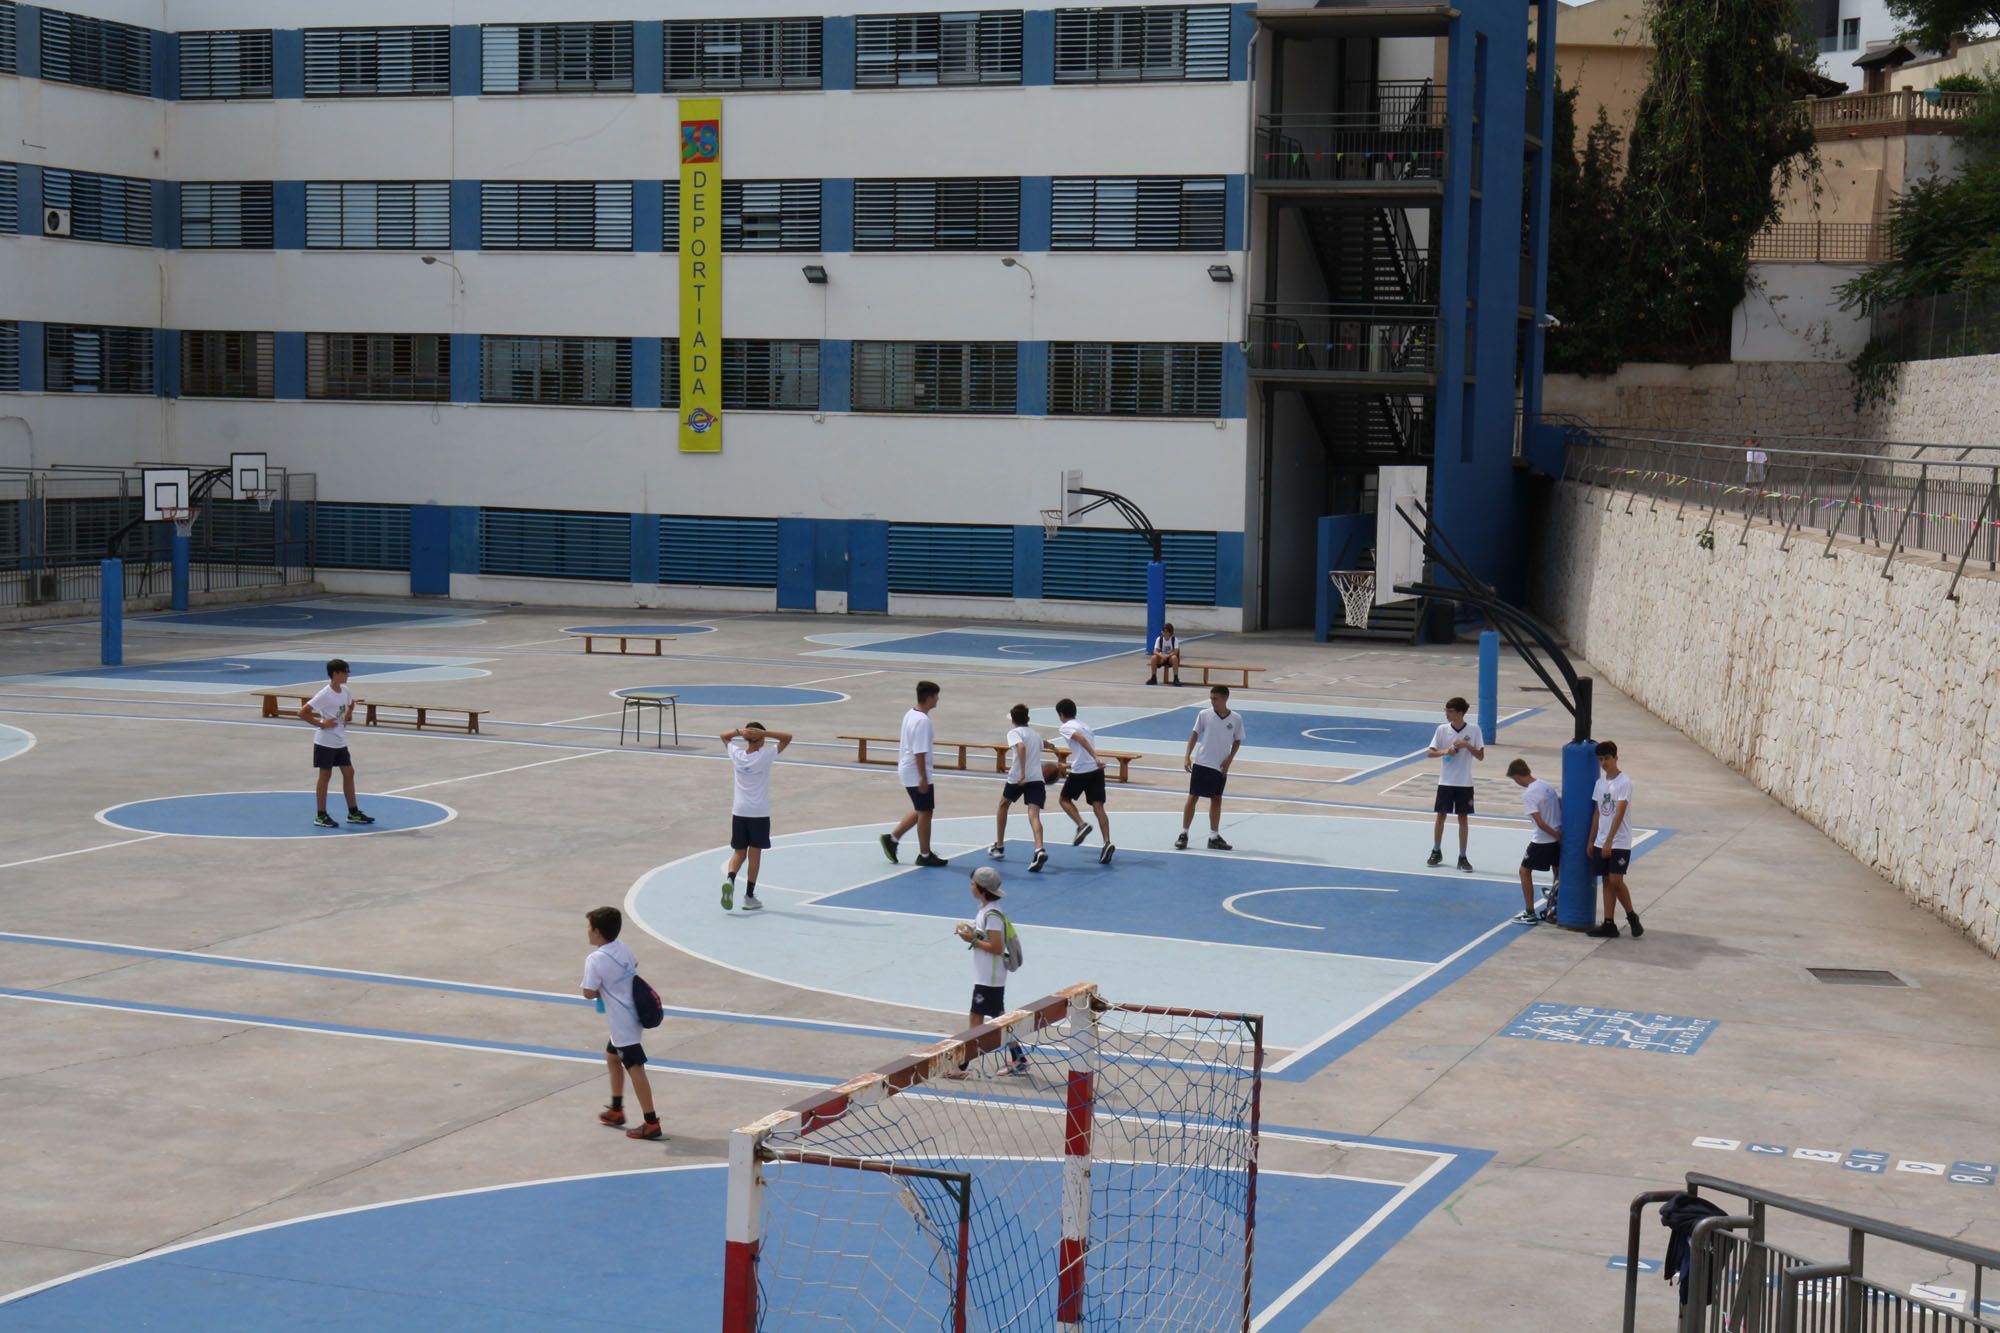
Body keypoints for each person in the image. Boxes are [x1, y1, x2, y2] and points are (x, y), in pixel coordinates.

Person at [580, 906, 661, 1140]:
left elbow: (588, 991)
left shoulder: (595, 959)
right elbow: (634, 965)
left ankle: (651, 1122)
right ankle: (616, 1109)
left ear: (597, 932)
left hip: (623, 1021)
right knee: (612, 1056)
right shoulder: (621, 946)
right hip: (632, 1012)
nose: (587, 931)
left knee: (635, 1067)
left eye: (589, 928)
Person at [947, 866, 1027, 1079]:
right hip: (988, 975)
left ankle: (961, 1068)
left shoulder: (992, 914)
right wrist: (973, 933)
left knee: (976, 1019)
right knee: (999, 1018)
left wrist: (972, 939)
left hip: (989, 977)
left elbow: (997, 947)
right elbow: (988, 939)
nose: (970, 886)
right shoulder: (987, 909)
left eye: (973, 883)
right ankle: (1019, 1058)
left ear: (981, 888)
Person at [721, 722, 791, 912]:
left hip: (739, 811)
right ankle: (749, 896)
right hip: (758, 812)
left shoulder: (737, 755)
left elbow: (723, 736)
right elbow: (787, 737)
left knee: (739, 852)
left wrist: (738, 731)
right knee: (754, 854)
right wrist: (766, 731)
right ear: (759, 738)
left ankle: (730, 878)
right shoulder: (766, 756)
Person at [299, 658, 374, 829]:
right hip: (325, 741)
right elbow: (303, 712)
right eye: (345, 672)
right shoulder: (325, 694)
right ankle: (321, 815)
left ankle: (353, 812)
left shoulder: (344, 690)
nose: (348, 675)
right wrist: (321, 724)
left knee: (349, 772)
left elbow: (351, 704)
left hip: (339, 740)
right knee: (325, 776)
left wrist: (347, 714)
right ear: (336, 673)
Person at [881, 681, 948, 868]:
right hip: (915, 771)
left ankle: (893, 838)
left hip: (909, 769)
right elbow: (920, 752)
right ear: (929, 697)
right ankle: (925, 854)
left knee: (922, 809)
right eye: (936, 696)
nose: (938, 700)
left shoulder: (911, 714)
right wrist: (923, 777)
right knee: (926, 812)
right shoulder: (923, 721)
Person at [1586, 741, 1642, 939]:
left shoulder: (1624, 782)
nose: (1604, 763)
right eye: (1600, 759)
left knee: (1616, 880)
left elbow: (1619, 812)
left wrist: (1609, 840)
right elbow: (1597, 813)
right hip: (1601, 840)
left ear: (1615, 758)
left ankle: (1631, 915)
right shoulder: (1600, 783)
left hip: (1619, 841)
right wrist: (1592, 840)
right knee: (1607, 881)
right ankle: (1608, 922)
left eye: (1607, 758)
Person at [1177, 685, 1244, 850]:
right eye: (1211, 698)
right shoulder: (1204, 715)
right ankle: (1184, 834)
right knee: (1193, 797)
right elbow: (1194, 735)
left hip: (1220, 766)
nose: (1212, 701)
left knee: (1216, 799)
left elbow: (1237, 740)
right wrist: (1187, 756)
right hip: (1202, 762)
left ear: (1225, 698)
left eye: (1216, 699)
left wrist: (1229, 760)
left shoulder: (1236, 718)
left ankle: (1214, 837)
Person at [1425, 695, 1484, 872]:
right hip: (1446, 781)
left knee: (1463, 819)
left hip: (1464, 783)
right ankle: (1436, 850)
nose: (1447, 714)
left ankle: (1463, 856)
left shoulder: (1474, 730)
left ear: (1460, 712)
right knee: (1440, 816)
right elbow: (1430, 752)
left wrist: (1466, 746)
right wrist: (1446, 751)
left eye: (1450, 711)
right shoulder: (1442, 729)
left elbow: (1480, 756)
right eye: (1446, 710)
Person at [1055, 698, 1114, 865]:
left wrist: (1095, 757)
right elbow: (1082, 751)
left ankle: (1081, 825)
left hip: (1083, 770)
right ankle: (1107, 843)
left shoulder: (1066, 727)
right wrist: (1068, 764)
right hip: (1096, 771)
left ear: (1061, 714)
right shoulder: (1085, 724)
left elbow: (1080, 740)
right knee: (1098, 806)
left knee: (1064, 800)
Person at [991, 704, 1050, 873]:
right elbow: (1042, 743)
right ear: (1028, 719)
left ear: (1013, 720)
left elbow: (1021, 747)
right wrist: (1052, 747)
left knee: (1003, 805)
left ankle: (1000, 846)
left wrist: (1022, 773)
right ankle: (1039, 849)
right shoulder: (1035, 734)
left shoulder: (1014, 733)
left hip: (1019, 777)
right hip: (1037, 778)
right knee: (1034, 814)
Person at [1506, 758, 1559, 925]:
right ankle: (1554, 902)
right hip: (1556, 837)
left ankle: (1529, 912)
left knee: (1524, 871)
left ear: (1518, 776)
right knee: (1557, 871)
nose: (1516, 782)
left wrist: (1556, 835)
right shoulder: (1546, 786)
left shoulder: (1529, 794)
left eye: (1514, 779)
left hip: (1542, 840)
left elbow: (1541, 823)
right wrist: (1559, 835)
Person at [1147, 622, 1182, 686]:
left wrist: (1168, 656)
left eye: (1166, 632)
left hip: (1170, 658)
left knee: (1174, 658)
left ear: (1170, 632)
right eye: (1163, 631)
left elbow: (1176, 651)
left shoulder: (1174, 639)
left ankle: (1176, 678)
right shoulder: (1159, 639)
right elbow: (1155, 651)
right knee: (1153, 657)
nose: (1164, 633)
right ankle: (1153, 678)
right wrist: (1161, 656)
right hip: (1162, 658)